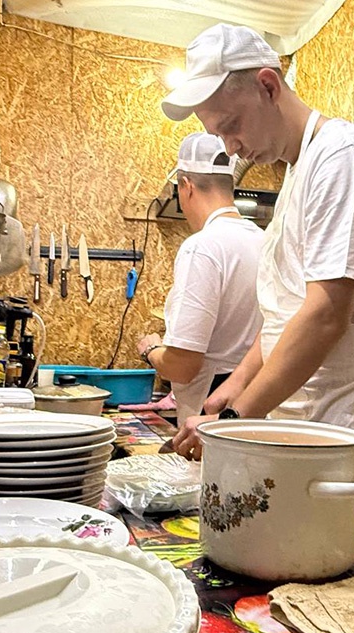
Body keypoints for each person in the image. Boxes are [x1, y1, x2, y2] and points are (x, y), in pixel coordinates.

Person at [162, 23, 354, 551]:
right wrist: (233, 388)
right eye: (218, 134)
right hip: (300, 405)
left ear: (268, 85)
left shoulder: (344, 157)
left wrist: (236, 421)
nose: (230, 147)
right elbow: (285, 312)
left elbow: (325, 313)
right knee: (296, 550)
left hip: (344, 410)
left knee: (345, 554)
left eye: (231, 125)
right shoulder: (299, 171)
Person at [137, 133, 264, 424]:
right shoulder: (265, 240)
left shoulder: (202, 248)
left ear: (186, 186)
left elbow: (183, 366)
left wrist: (151, 350)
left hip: (210, 409)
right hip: (253, 406)